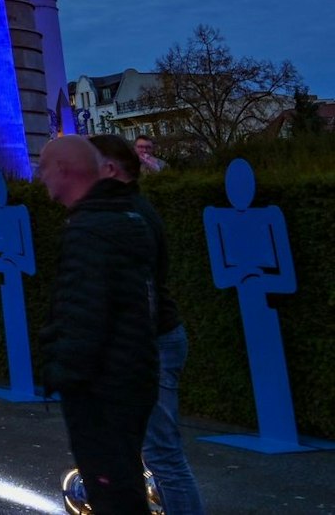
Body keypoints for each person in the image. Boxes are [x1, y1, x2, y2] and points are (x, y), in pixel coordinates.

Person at [39, 136, 159, 515]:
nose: (40, 178)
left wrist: (61, 370)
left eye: (44, 168)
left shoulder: (89, 229)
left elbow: (84, 312)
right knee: (121, 489)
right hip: (129, 377)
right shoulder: (122, 216)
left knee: (113, 495)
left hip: (103, 388)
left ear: (63, 170)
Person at [90, 135, 204, 515]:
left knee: (163, 454)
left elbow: (143, 293)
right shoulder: (127, 211)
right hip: (148, 342)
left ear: (109, 169)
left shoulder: (129, 218)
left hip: (149, 345)